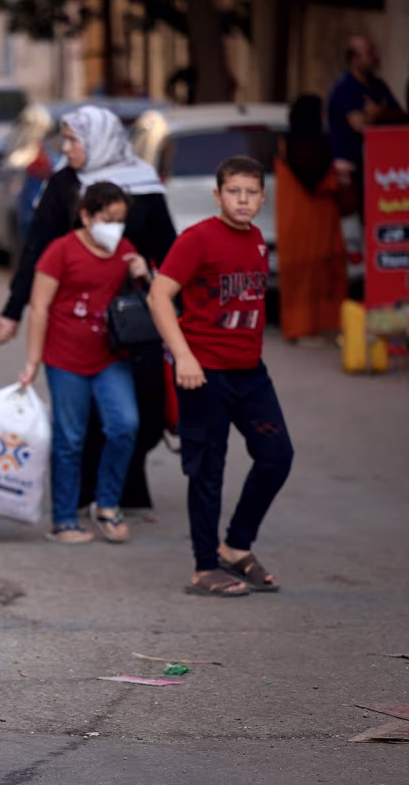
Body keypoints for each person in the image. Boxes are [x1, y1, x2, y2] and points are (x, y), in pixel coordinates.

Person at [0, 105, 176, 515]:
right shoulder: (64, 183)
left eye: (75, 140)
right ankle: (82, 494)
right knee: (80, 416)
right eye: (67, 139)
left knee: (142, 408)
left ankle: (126, 487)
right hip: (74, 312)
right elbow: (37, 249)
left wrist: (172, 296)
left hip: (134, 315)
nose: (68, 148)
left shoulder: (144, 182)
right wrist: (13, 309)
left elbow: (169, 249)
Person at [147, 156, 293, 597]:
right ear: (218, 195)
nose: (243, 200)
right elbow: (159, 296)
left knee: (276, 456)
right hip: (203, 374)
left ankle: (236, 546)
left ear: (263, 197)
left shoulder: (259, 242)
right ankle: (205, 567)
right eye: (234, 191)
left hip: (250, 374)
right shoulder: (197, 240)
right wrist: (183, 358)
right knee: (208, 471)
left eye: (251, 192)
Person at [18, 183, 151, 543]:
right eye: (107, 219)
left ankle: (106, 505)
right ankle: (63, 520)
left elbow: (151, 301)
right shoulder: (60, 251)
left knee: (125, 425)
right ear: (86, 216)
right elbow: (39, 308)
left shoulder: (125, 251)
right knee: (69, 439)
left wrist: (144, 272)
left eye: (120, 220)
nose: (115, 227)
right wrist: (32, 361)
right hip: (65, 359)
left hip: (111, 356)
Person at [275, 95, 351, 343]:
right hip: (313, 224)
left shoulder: (288, 142)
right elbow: (313, 177)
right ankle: (317, 326)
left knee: (304, 279)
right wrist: (337, 179)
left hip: (296, 225)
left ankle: (301, 328)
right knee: (319, 275)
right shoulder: (307, 145)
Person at [327, 36, 403, 184]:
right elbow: (359, 124)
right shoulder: (344, 87)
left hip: (378, 169)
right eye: (369, 53)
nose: (375, 57)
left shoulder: (378, 86)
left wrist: (377, 113)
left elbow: (399, 115)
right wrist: (380, 113)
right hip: (350, 170)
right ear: (355, 60)